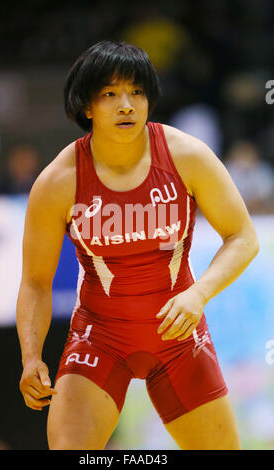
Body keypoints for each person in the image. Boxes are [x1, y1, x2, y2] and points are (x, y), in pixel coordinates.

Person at [16, 41, 259, 450]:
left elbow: (243, 237)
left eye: (137, 92)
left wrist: (198, 294)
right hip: (100, 338)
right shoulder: (58, 181)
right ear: (87, 106)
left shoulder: (187, 156)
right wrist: (31, 357)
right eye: (110, 94)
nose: (126, 105)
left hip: (180, 339)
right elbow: (36, 282)